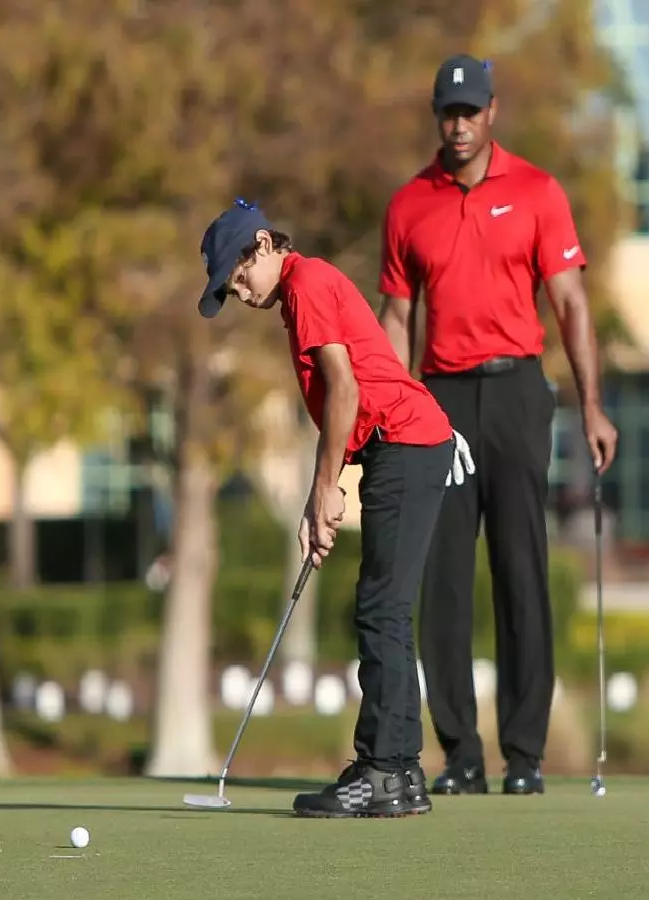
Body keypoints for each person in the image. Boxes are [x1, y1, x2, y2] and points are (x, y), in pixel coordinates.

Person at [376, 54, 618, 796]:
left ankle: (525, 754)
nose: (459, 125)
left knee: (521, 568)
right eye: (448, 113)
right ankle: (461, 753)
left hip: (516, 390)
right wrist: (389, 407)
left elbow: (571, 303)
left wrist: (591, 403)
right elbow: (397, 314)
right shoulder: (409, 204)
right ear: (437, 117)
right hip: (440, 399)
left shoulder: (539, 192)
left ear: (492, 113)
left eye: (470, 112)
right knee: (444, 577)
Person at [196, 199, 474, 819]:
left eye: (239, 276)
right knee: (386, 608)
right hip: (400, 446)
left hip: (406, 442)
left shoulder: (307, 284)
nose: (240, 292)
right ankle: (400, 772)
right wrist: (321, 496)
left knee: (381, 609)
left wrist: (325, 489)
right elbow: (345, 401)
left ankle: (383, 769)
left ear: (263, 245)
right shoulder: (301, 291)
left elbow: (344, 388)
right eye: (230, 288)